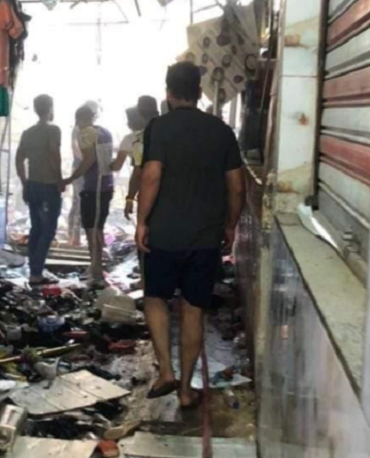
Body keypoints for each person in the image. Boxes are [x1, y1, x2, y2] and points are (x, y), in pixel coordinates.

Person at [136, 62, 245, 408]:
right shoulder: (221, 131)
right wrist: (230, 225)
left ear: (168, 93)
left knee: (156, 298)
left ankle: (166, 372)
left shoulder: (158, 128)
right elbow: (236, 185)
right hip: (205, 238)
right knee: (193, 309)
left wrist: (142, 221)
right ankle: (185, 390)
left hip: (164, 234)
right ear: (199, 92)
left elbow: (151, 175)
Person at [63, 105, 127, 288]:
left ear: (79, 120)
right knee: (97, 229)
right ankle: (95, 268)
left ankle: (96, 271)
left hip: (94, 188)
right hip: (106, 187)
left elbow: (89, 160)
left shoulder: (86, 133)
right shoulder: (105, 132)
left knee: (92, 230)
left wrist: (70, 178)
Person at [15, 94, 63, 286]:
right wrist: (59, 179)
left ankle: (34, 270)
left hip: (33, 185)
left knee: (36, 228)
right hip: (48, 186)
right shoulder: (53, 130)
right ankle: (36, 272)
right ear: (50, 108)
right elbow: (54, 154)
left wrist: (25, 183)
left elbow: (19, 160)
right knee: (47, 230)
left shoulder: (28, 133)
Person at [67, 100, 100, 246]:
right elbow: (76, 149)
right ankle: (75, 236)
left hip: (81, 168)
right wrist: (89, 160)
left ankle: (74, 235)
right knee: (80, 203)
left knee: (77, 202)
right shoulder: (79, 129)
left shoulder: (87, 130)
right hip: (81, 169)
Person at [123, 96, 159, 221]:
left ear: (140, 113)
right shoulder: (173, 131)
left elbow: (138, 171)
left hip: (150, 197)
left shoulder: (141, 139)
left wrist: (130, 198)